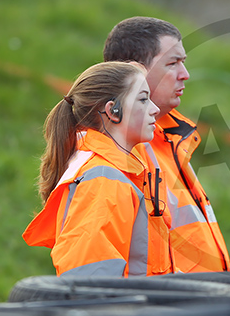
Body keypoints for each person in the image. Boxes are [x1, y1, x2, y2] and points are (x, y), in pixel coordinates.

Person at [103, 16, 230, 273]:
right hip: (167, 310)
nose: (185, 75)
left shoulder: (169, 138)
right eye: (173, 63)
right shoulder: (117, 153)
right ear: (134, 70)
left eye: (183, 62)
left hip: (201, 306)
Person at [22, 61, 165, 276]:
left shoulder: (105, 172)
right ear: (112, 111)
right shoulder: (104, 180)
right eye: (143, 99)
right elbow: (90, 283)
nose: (155, 109)